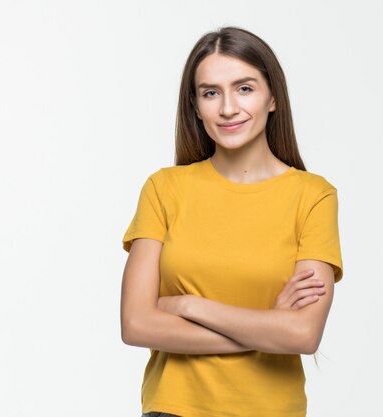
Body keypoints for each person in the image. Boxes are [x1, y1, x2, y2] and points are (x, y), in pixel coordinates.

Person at [120, 26, 344, 417]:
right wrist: (268, 328)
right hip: (175, 408)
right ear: (194, 104)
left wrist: (189, 305)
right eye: (211, 92)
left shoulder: (313, 197)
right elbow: (137, 324)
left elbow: (303, 334)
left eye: (244, 88)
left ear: (272, 97)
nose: (227, 108)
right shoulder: (164, 189)